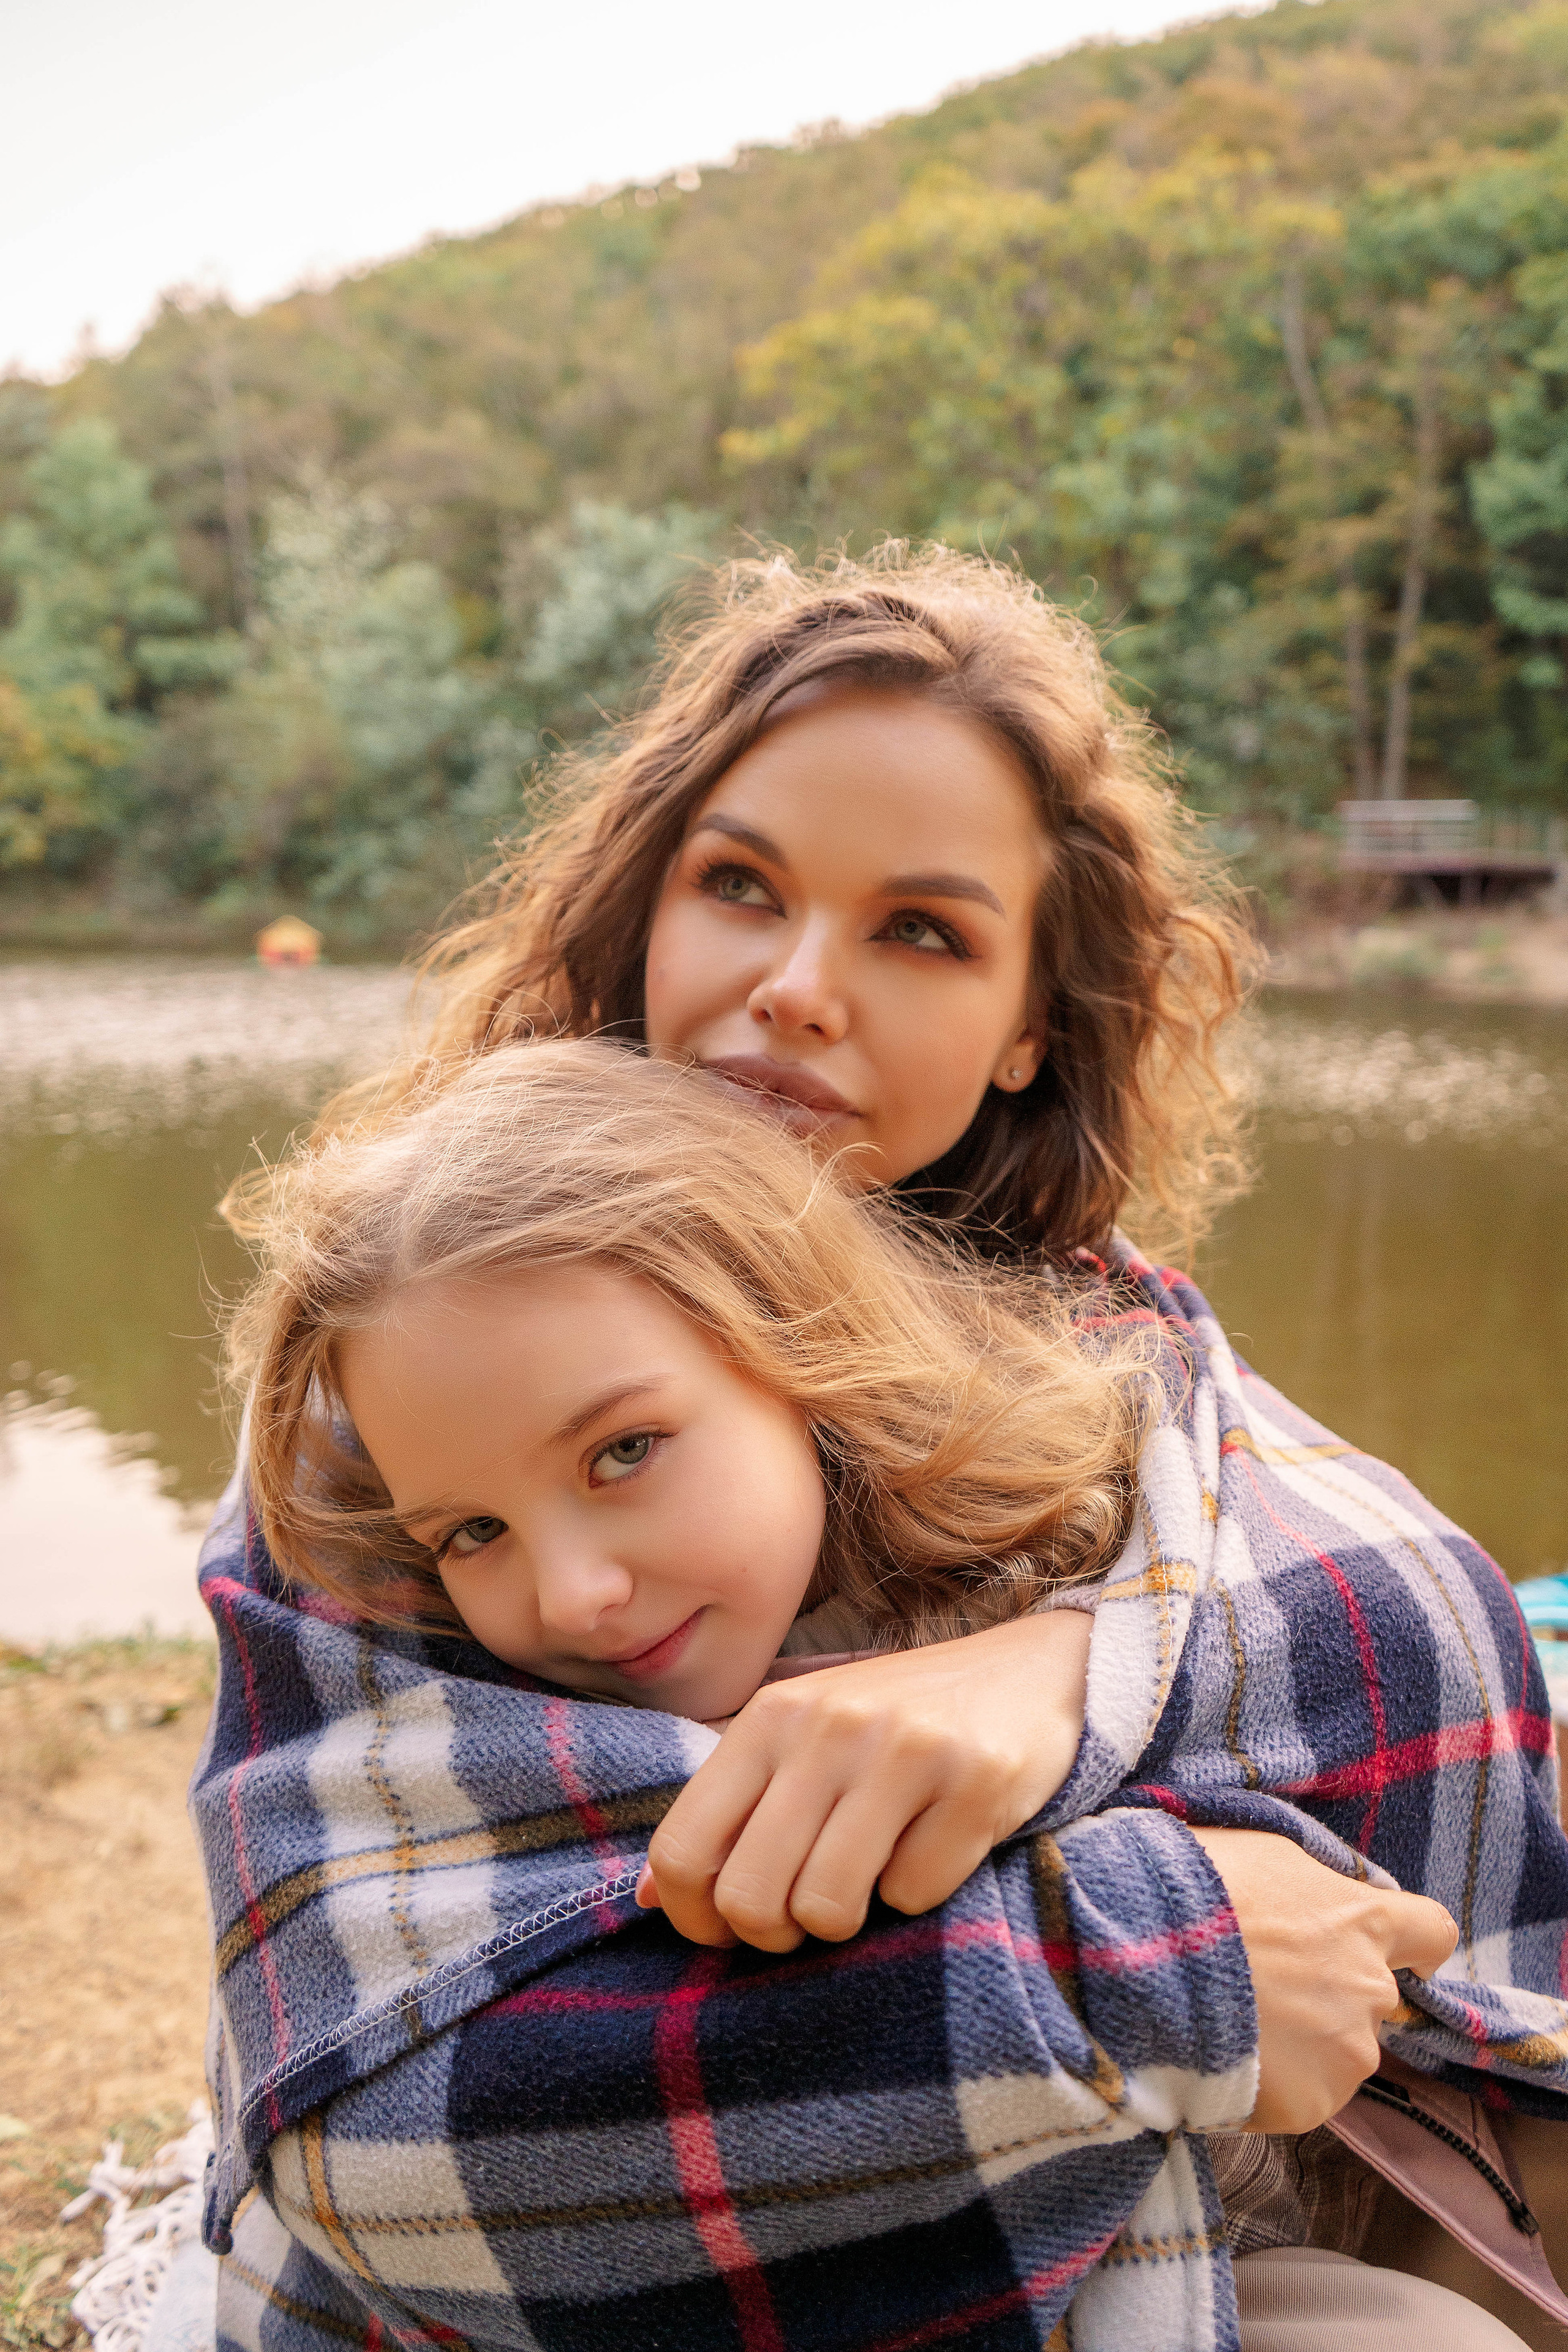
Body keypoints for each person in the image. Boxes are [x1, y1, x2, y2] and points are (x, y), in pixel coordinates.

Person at [195, 547, 1568, 2350]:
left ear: (1025, 1034)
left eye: (921, 931)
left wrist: (1070, 1666)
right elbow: (377, 2122)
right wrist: (1137, 1959)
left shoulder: (1098, 1334)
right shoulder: (411, 1358)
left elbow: (1433, 1638)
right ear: (642, 913)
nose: (796, 989)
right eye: (739, 887)